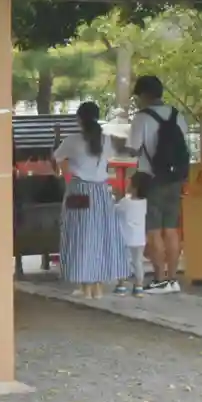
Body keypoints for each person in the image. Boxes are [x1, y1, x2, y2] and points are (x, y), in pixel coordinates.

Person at [52, 101, 127, 298]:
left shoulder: (72, 141)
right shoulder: (106, 141)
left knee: (80, 234)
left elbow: (56, 159)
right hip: (101, 191)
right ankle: (98, 286)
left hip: (79, 190)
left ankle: (85, 286)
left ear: (79, 119)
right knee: (100, 236)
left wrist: (61, 168)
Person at [129, 75, 190, 294]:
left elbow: (133, 150)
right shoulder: (176, 114)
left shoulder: (141, 118)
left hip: (152, 179)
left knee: (153, 231)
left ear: (144, 95)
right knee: (171, 229)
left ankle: (159, 280)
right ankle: (172, 280)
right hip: (175, 178)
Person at [113, 171, 150, 296]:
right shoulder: (145, 202)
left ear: (134, 187)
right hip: (140, 239)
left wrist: (116, 197)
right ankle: (139, 286)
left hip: (125, 238)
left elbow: (115, 210)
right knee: (138, 262)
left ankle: (121, 285)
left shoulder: (125, 202)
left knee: (123, 262)